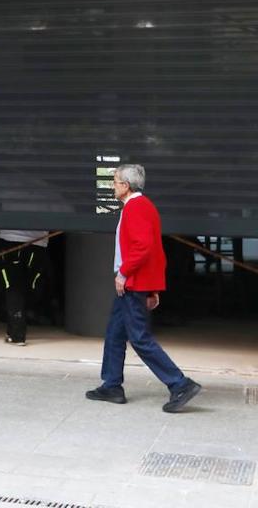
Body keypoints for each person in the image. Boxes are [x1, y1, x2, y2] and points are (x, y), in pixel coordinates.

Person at [86, 164, 202, 413]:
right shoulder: (142, 206)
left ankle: (180, 383)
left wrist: (125, 273)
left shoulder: (136, 208)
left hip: (131, 282)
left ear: (125, 186)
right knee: (115, 333)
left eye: (115, 181)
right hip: (136, 282)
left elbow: (143, 247)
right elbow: (153, 250)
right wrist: (152, 288)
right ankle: (112, 385)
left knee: (138, 337)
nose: (112, 185)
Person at [0, 229, 50, 345]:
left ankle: (17, 334)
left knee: (13, 286)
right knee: (29, 285)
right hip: (38, 242)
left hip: (9, 239)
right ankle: (14, 329)